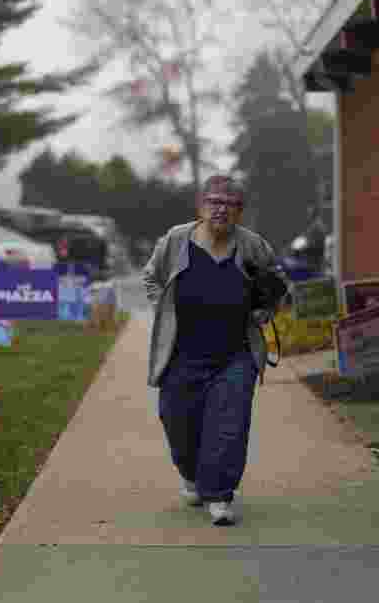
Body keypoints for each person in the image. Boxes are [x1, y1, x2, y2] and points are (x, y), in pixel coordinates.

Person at [142, 175, 283, 526]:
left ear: (240, 211)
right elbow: (151, 278)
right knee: (177, 422)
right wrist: (165, 308)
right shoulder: (176, 240)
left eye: (230, 203)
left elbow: (276, 282)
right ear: (200, 205)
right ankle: (191, 475)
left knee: (229, 426)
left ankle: (219, 494)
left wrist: (266, 308)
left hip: (235, 355)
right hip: (181, 354)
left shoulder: (252, 246)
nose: (221, 208)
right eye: (214, 201)